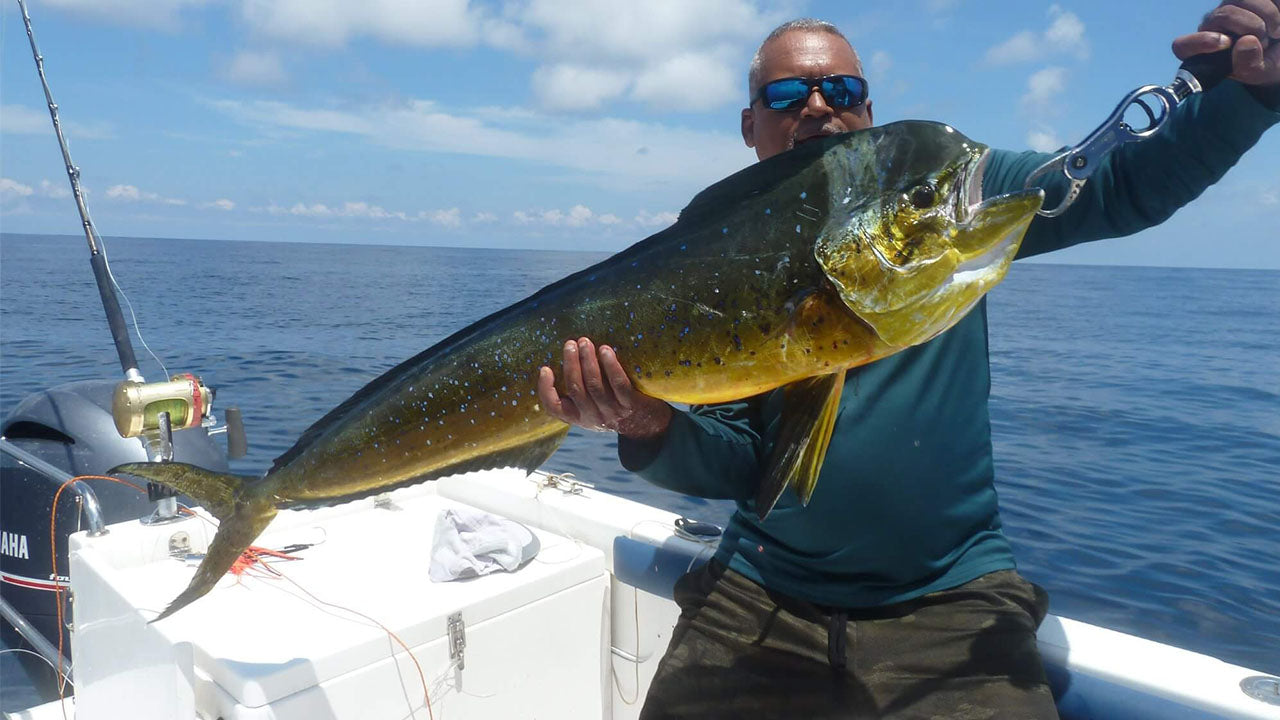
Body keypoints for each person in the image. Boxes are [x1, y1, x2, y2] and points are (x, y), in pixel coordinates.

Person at [536, 5, 1280, 718]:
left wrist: (1251, 94)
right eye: (789, 93)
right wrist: (646, 422)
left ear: (869, 109)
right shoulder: (721, 263)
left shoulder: (945, 197)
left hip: (949, 598)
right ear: (750, 125)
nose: (820, 106)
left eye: (845, 90)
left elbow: (1119, 186)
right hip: (763, 590)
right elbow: (738, 466)